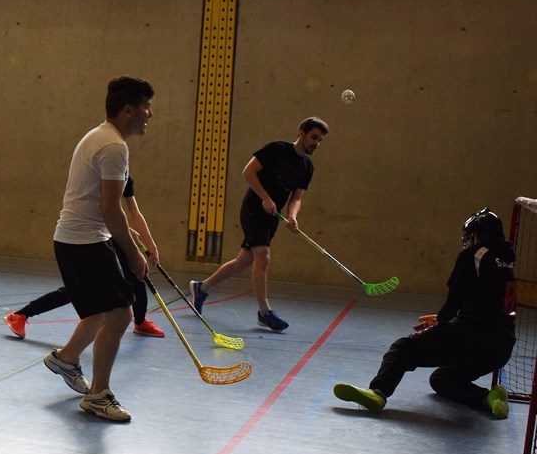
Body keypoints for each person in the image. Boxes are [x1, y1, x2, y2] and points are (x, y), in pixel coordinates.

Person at [333, 207, 515, 419]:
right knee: (442, 379)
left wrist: (442, 321)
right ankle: (490, 398)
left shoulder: (472, 255)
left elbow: (454, 302)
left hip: (471, 337)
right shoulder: (507, 259)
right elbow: (485, 304)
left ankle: (378, 393)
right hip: (501, 347)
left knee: (403, 348)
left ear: (478, 235)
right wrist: (447, 320)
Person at [43, 76, 153, 422]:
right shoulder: (114, 146)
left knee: (100, 311)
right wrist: (133, 254)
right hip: (83, 242)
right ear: (128, 110)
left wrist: (125, 234)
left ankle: (65, 358)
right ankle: (98, 395)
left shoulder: (99, 136)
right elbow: (110, 208)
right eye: (146, 107)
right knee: (120, 312)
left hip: (79, 239)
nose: (150, 114)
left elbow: (100, 204)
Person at [189, 117, 328, 332]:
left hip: (272, 216)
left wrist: (292, 216)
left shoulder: (307, 167)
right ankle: (264, 312)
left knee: (243, 261)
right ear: (301, 133)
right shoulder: (277, 149)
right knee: (263, 257)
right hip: (254, 208)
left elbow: (296, 198)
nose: (316, 143)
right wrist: (265, 197)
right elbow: (248, 171)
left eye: (319, 140)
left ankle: (202, 288)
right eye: (313, 137)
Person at [4, 176, 164, 339]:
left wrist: (152, 246)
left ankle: (140, 321)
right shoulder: (102, 175)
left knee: (136, 275)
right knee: (81, 288)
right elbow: (104, 211)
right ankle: (20, 315)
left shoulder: (125, 176)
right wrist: (126, 230)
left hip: (108, 235)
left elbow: (135, 213)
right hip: (89, 238)